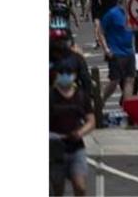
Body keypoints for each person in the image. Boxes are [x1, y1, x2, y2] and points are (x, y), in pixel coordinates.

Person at [50, 60, 96, 196]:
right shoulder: (50, 96)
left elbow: (91, 121)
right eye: (61, 73)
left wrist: (80, 132)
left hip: (76, 147)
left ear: (74, 75)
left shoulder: (81, 96)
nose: (65, 76)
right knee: (57, 189)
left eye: (68, 73)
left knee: (80, 186)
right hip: (55, 148)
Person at [96, 0, 135, 110]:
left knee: (130, 79)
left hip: (129, 51)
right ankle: (100, 102)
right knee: (114, 80)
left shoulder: (132, 14)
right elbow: (101, 31)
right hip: (116, 52)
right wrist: (106, 49)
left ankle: (127, 108)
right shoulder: (112, 13)